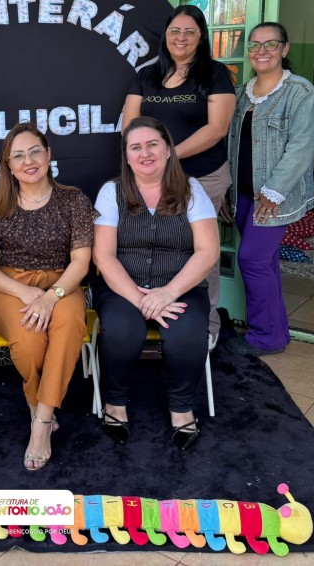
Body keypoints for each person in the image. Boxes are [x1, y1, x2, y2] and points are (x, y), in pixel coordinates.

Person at [92, 116, 220, 450]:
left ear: (168, 150)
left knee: (186, 332)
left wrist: (168, 293)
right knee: (121, 330)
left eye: (152, 145)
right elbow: (103, 256)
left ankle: (182, 408)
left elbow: (208, 251)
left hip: (180, 286)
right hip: (123, 288)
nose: (145, 153)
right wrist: (140, 300)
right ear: (127, 155)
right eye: (136, 147)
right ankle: (114, 403)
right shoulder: (111, 192)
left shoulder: (191, 190)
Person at [0, 123, 93, 471]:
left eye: (35, 151)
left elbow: (81, 261)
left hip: (62, 284)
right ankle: (39, 404)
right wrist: (26, 292)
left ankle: (40, 420)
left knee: (68, 327)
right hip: (9, 287)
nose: (29, 161)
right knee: (28, 340)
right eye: (19, 156)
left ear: (49, 155)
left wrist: (51, 296)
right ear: (9, 166)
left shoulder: (74, 200)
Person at [122, 4, 235, 340]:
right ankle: (155, 314)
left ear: (201, 37)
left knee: (202, 252)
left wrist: (168, 157)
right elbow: (129, 127)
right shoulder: (147, 75)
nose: (181, 37)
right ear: (166, 35)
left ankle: (207, 326)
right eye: (175, 30)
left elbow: (216, 129)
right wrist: (150, 161)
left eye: (189, 31)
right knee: (155, 247)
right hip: (152, 180)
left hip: (203, 176)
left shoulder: (215, 74)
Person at [225, 22, 314, 358]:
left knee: (252, 260)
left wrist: (274, 191)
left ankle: (264, 336)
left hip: (271, 198)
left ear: (285, 48)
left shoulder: (301, 93)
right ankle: (276, 332)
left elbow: (301, 148)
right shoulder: (242, 94)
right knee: (265, 262)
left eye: (271, 44)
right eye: (254, 45)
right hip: (242, 194)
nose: (262, 51)